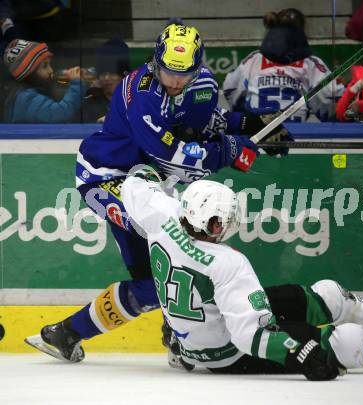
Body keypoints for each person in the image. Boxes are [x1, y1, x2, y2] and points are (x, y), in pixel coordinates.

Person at [25, 169, 363, 380]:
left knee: (327, 295)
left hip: (201, 328)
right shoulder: (228, 263)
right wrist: (294, 351)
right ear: (216, 225)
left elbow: (136, 182)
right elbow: (249, 337)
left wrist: (143, 177)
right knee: (348, 343)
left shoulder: (159, 215)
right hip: (226, 353)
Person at [75, 23, 287, 288]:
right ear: (156, 62)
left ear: (196, 69)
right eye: (168, 71)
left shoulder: (204, 84)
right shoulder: (143, 97)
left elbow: (202, 122)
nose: (175, 81)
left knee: (164, 278)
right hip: (104, 178)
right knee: (170, 250)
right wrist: (230, 150)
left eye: (183, 73)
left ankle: (174, 325)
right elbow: (174, 160)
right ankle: (65, 330)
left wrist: (251, 123)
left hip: (148, 180)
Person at [223, 8, 345, 125]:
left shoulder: (254, 59)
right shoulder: (310, 63)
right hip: (297, 137)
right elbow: (330, 100)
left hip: (255, 136)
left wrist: (243, 117)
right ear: (302, 31)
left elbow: (230, 88)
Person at [2, 38, 91, 122]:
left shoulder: (24, 95)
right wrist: (76, 84)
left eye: (49, 64)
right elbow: (61, 113)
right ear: (30, 74)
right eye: (45, 66)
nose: (51, 70)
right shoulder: (27, 99)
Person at [82, 38, 130, 123]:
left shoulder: (135, 101)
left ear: (124, 76)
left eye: (112, 73)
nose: (107, 78)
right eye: (103, 73)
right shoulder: (91, 103)